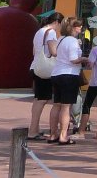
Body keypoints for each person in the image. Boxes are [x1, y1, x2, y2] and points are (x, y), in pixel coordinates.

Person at [48, 17, 89, 144]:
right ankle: (63, 135)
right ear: (73, 28)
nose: (80, 28)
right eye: (78, 26)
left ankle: (53, 134)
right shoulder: (72, 41)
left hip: (57, 73)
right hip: (69, 75)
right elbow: (73, 59)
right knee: (66, 107)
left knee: (56, 105)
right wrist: (84, 59)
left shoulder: (61, 39)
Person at [28, 11, 63, 140]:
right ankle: (33, 131)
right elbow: (54, 52)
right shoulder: (51, 32)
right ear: (57, 22)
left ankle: (34, 128)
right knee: (42, 99)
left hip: (36, 66)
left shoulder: (39, 31)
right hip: (45, 69)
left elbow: (34, 51)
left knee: (38, 99)